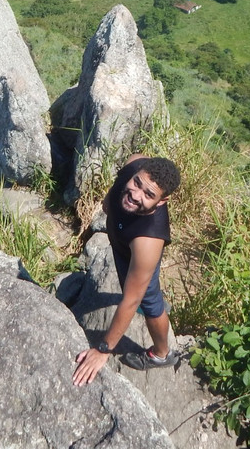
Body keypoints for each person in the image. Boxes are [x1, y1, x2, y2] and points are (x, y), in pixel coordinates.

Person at [72, 154, 181, 386]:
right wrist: (108, 202)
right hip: (121, 241)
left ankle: (162, 354)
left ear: (162, 201)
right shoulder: (135, 162)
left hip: (135, 251)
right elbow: (120, 183)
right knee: (129, 287)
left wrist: (103, 350)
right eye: (137, 183)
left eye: (149, 195)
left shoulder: (149, 242)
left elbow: (130, 301)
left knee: (147, 300)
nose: (135, 194)